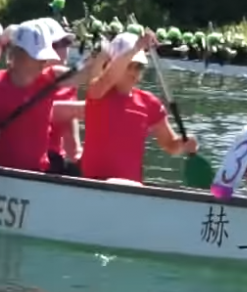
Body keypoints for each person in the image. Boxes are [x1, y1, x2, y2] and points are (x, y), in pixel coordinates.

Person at [0, 21, 94, 172]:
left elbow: (89, 77)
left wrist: (103, 54)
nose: (43, 61)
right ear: (15, 54)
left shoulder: (52, 78)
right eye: (36, 56)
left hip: (37, 175)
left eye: (44, 56)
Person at [81, 31, 198, 183]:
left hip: (131, 187)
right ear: (110, 64)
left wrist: (183, 144)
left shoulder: (149, 102)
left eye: (139, 66)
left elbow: (170, 145)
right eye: (129, 65)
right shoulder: (98, 93)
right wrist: (136, 48)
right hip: (95, 184)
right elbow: (108, 78)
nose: (134, 71)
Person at [34, 17, 83, 171]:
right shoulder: (23, 80)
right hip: (28, 157)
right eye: (58, 45)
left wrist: (80, 161)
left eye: (66, 43)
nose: (65, 50)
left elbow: (72, 144)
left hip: (54, 158)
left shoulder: (69, 87)